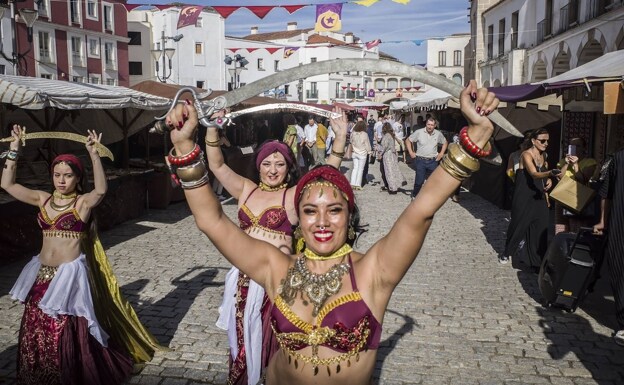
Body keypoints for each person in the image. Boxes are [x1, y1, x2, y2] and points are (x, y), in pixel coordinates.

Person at [163, 80, 498, 385]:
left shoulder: (374, 272)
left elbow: (422, 209)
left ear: (348, 215)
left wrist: (474, 139)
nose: (321, 221)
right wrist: (182, 148)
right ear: (300, 216)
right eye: (310, 211)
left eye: (334, 210)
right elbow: (211, 221)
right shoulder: (275, 268)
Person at [1, 126, 164, 384]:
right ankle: (37, 374)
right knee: (36, 322)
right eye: (57, 175)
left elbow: (100, 190)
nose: (61, 180)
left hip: (68, 275)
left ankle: (67, 372)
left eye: (67, 175)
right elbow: (7, 184)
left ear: (78, 178)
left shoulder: (82, 204)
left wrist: (94, 155)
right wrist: (14, 151)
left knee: (64, 326)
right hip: (42, 274)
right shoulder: (42, 200)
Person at [201, 113, 346, 385]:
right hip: (241, 282)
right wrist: (211, 128)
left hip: (274, 284)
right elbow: (216, 164)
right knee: (242, 343)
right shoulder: (246, 189)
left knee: (272, 345)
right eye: (267, 163)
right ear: (258, 166)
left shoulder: (292, 196)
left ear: (288, 167)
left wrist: (339, 139)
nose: (272, 169)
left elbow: (324, 177)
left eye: (279, 164)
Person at [500, 128, 557, 269]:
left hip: (538, 194)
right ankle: (507, 252)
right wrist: (550, 173)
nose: (546, 143)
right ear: (533, 141)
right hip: (524, 194)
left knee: (541, 225)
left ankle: (536, 261)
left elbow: (543, 172)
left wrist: (549, 178)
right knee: (519, 224)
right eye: (542, 141)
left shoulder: (545, 155)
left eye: (547, 141)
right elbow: (533, 173)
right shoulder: (526, 154)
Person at [593, 148, 624, 346]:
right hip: (620, 222)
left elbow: (606, 193)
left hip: (619, 224)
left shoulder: (617, 157)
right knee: (619, 270)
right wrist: (603, 221)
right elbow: (607, 191)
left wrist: (603, 220)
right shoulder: (618, 158)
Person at [554, 137, 597, 233]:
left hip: (577, 198)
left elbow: (582, 179)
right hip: (561, 198)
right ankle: (561, 246)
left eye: (578, 146)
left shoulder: (590, 162)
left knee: (576, 228)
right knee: (560, 228)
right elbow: (560, 177)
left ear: (584, 148)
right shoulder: (563, 162)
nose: (575, 148)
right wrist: (567, 163)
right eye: (572, 146)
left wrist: (576, 165)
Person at [406, 117, 448, 200]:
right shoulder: (419, 132)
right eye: (428, 124)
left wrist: (441, 153)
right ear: (426, 124)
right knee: (419, 181)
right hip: (420, 160)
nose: (430, 126)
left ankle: (430, 198)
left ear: (435, 126)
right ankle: (415, 196)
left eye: (432, 125)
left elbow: (445, 142)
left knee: (433, 181)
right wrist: (411, 152)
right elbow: (408, 140)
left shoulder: (438, 133)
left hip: (433, 161)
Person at [380, 122, 406, 195]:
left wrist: (380, 153)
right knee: (393, 170)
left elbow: (384, 147)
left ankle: (392, 188)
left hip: (387, 155)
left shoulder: (386, 136)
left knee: (389, 171)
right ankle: (393, 185)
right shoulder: (391, 135)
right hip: (393, 154)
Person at [348, 120, 372, 189]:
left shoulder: (353, 133)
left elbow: (351, 142)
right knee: (360, 169)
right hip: (362, 153)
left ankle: (352, 183)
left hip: (354, 152)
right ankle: (358, 184)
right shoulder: (364, 134)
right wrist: (369, 152)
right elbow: (367, 144)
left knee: (355, 168)